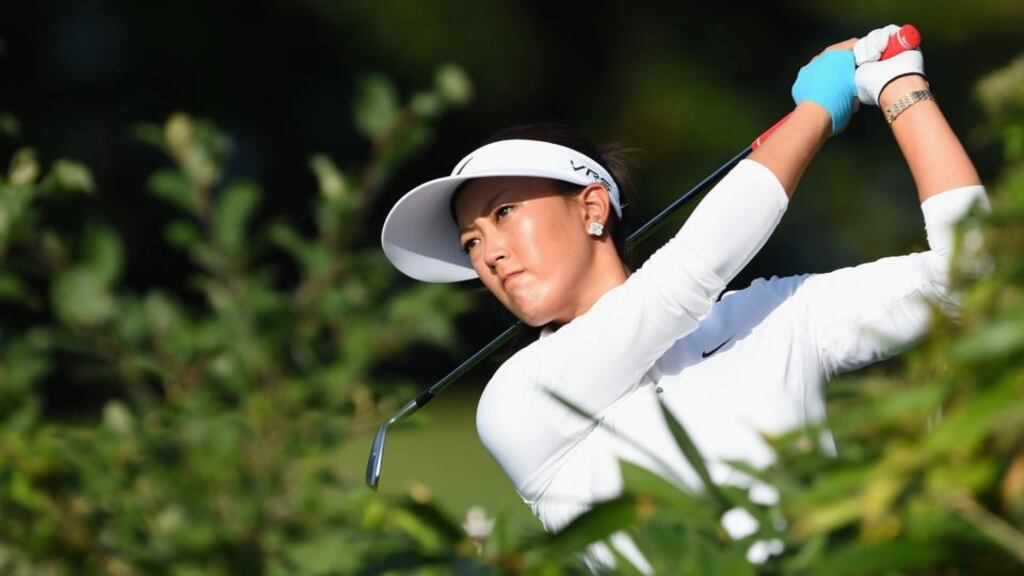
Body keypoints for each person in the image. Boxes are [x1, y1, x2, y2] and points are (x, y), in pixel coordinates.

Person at [380, 25, 989, 572]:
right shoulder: (516, 399)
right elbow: (684, 278)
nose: (489, 252)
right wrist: (815, 113)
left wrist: (899, 85)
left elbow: (967, 278)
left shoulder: (770, 317)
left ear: (591, 207)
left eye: (504, 213)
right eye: (471, 242)